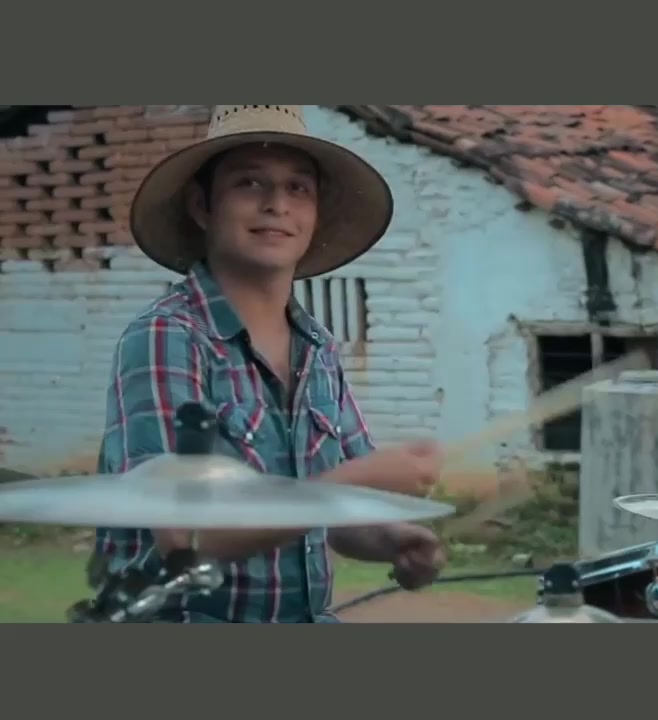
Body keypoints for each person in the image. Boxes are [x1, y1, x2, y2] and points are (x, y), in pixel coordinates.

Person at [91, 105, 447, 623]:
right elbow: (181, 540)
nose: (277, 204)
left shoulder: (318, 348)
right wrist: (348, 481)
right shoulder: (168, 337)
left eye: (298, 188)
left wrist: (394, 538)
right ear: (202, 206)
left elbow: (341, 515)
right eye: (249, 183)